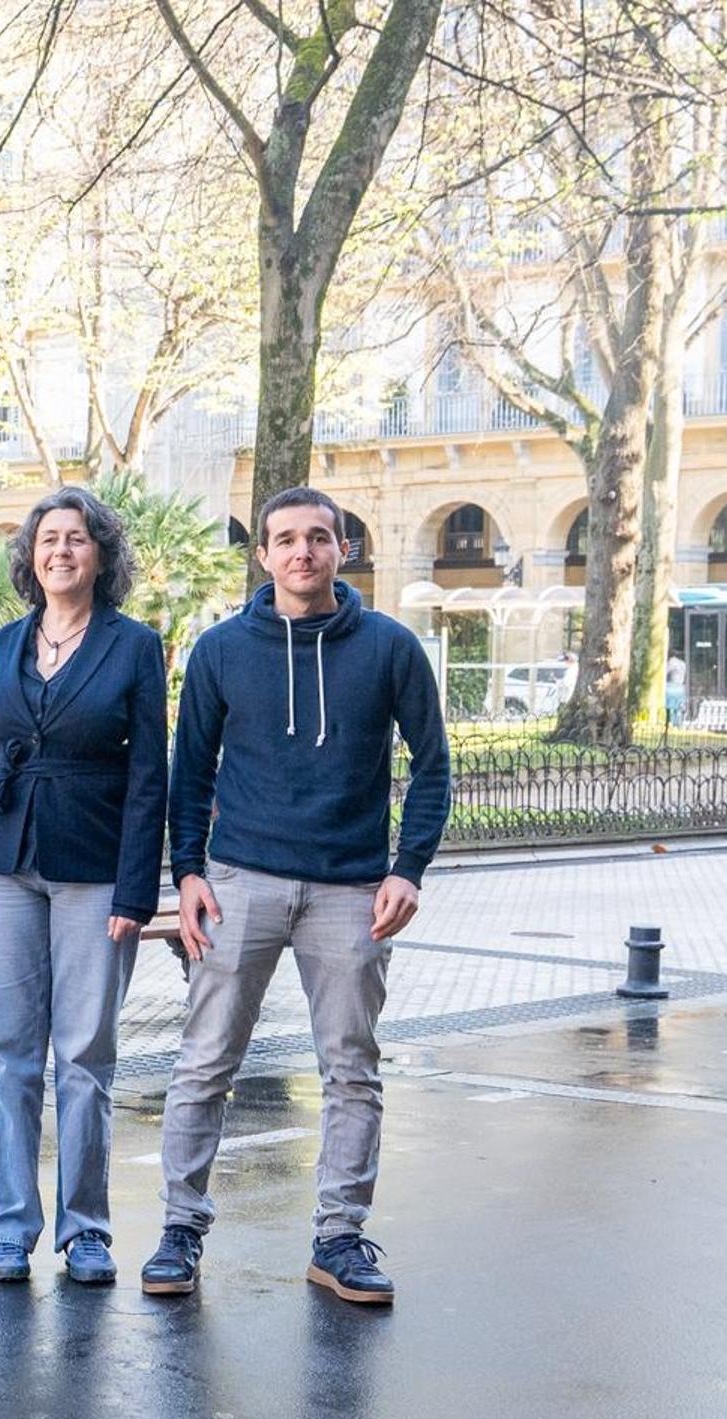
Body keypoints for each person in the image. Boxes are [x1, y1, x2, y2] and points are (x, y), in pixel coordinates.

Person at [143, 486, 450, 1307]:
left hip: (352, 889)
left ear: (341, 550)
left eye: (318, 538)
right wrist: (188, 874)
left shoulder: (388, 648)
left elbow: (432, 764)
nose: (301, 553)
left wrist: (407, 867)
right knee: (204, 1062)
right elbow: (190, 771)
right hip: (240, 880)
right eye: (285, 540)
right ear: (263, 554)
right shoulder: (219, 650)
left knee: (350, 1070)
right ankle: (179, 1230)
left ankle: (340, 1239)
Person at [0, 485, 167, 1289]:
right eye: (47, 540)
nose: (60, 552)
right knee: (8, 1052)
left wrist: (134, 892)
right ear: (29, 557)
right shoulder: (8, 642)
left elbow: (151, 770)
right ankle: (9, 1228)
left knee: (84, 1055)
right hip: (1, 862)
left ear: (100, 554)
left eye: (76, 539)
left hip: (93, 866)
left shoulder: (132, 645)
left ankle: (85, 1229)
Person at [665, 650, 688, 726]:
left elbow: (664, 672)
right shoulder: (683, 664)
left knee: (671, 707)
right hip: (681, 688)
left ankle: (671, 723)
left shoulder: (671, 662)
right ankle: (678, 723)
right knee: (679, 708)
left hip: (671, 687)